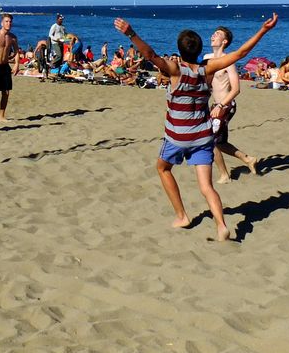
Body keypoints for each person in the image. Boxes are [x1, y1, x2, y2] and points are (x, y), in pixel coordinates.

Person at [114, 13, 278, 241]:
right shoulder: (207, 69)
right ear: (199, 50)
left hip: (177, 137)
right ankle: (221, 225)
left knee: (163, 168)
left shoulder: (175, 70)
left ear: (179, 51)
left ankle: (182, 215)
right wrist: (263, 30)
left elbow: (149, 54)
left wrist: (130, 33)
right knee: (207, 186)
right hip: (202, 136)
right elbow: (240, 53)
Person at [206, 26, 259, 185]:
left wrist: (221, 105)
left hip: (226, 105)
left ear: (225, 41)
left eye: (218, 34)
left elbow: (236, 89)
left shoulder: (228, 61)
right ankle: (248, 159)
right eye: (213, 33)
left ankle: (225, 175)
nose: (213, 35)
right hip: (215, 104)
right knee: (220, 143)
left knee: (209, 140)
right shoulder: (207, 58)